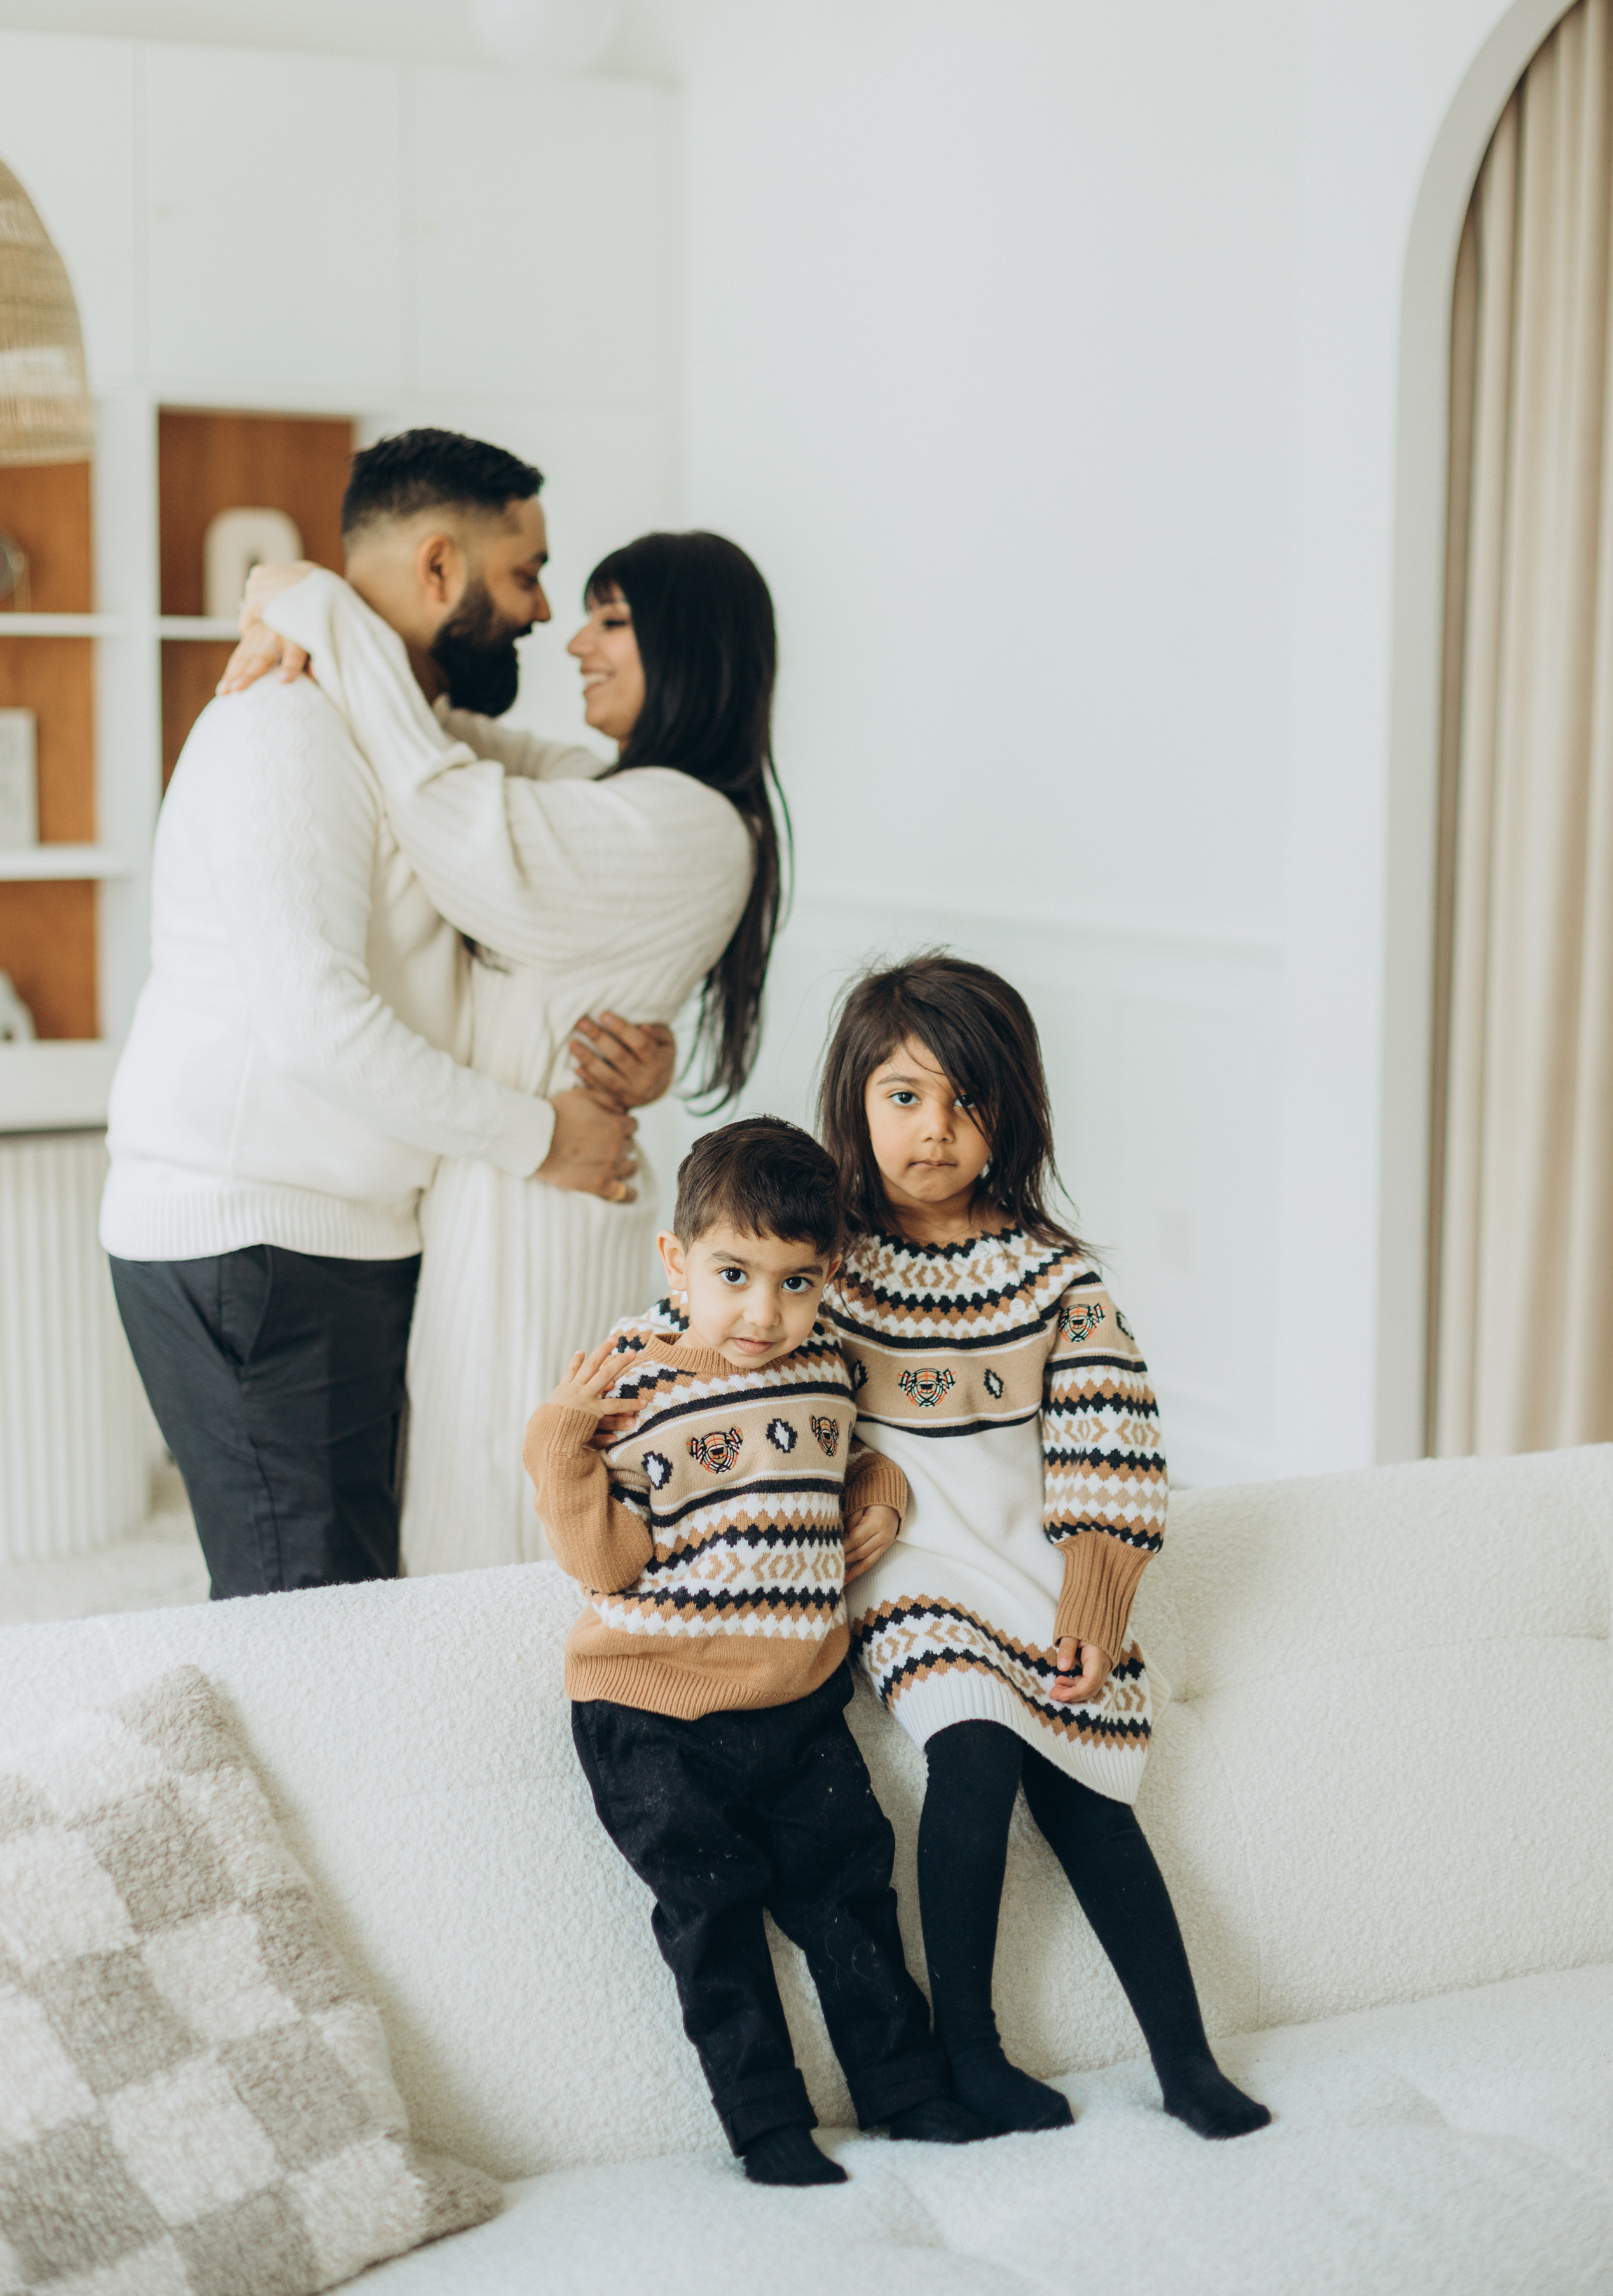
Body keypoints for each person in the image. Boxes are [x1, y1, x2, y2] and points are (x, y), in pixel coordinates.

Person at [102, 430, 644, 1600]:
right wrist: (549, 1135)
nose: (544, 611)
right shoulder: (282, 727)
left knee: (355, 1590)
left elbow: (603, 796)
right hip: (255, 1239)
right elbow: (317, 1028)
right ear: (440, 568)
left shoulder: (408, 738)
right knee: (310, 1612)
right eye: (526, 573)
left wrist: (316, 609)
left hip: (337, 1233)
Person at [232, 526, 782, 1571]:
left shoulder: (687, 822)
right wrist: (313, 613)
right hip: (516, 1191)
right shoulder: (626, 794)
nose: (575, 642)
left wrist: (325, 608)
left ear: (694, 648)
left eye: (612, 620)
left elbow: (449, 809)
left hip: (544, 1217)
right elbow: (465, 745)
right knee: (475, 1495)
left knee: (508, 1506)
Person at [818, 954, 1273, 2141]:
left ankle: (1185, 2061)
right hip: (912, 1572)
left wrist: (1098, 1592)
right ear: (855, 1105)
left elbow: (1109, 1443)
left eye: (969, 1101)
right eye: (905, 1096)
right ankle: (970, 2051)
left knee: (1091, 1797)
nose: (935, 1130)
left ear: (1013, 1114)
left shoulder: (1054, 1281)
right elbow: (754, 1371)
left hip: (1032, 1565)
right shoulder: (824, 1270)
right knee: (974, 1755)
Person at [523, 1117, 992, 2186]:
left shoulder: (825, 1361)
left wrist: (880, 1493)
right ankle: (765, 2119)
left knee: (851, 1894)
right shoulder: (631, 1378)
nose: (762, 1312)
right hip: (649, 1709)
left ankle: (906, 2090)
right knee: (712, 1914)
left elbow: (850, 1457)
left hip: (795, 1700)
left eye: (796, 1282)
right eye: (734, 1275)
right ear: (677, 1259)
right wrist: (558, 1439)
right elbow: (604, 1561)